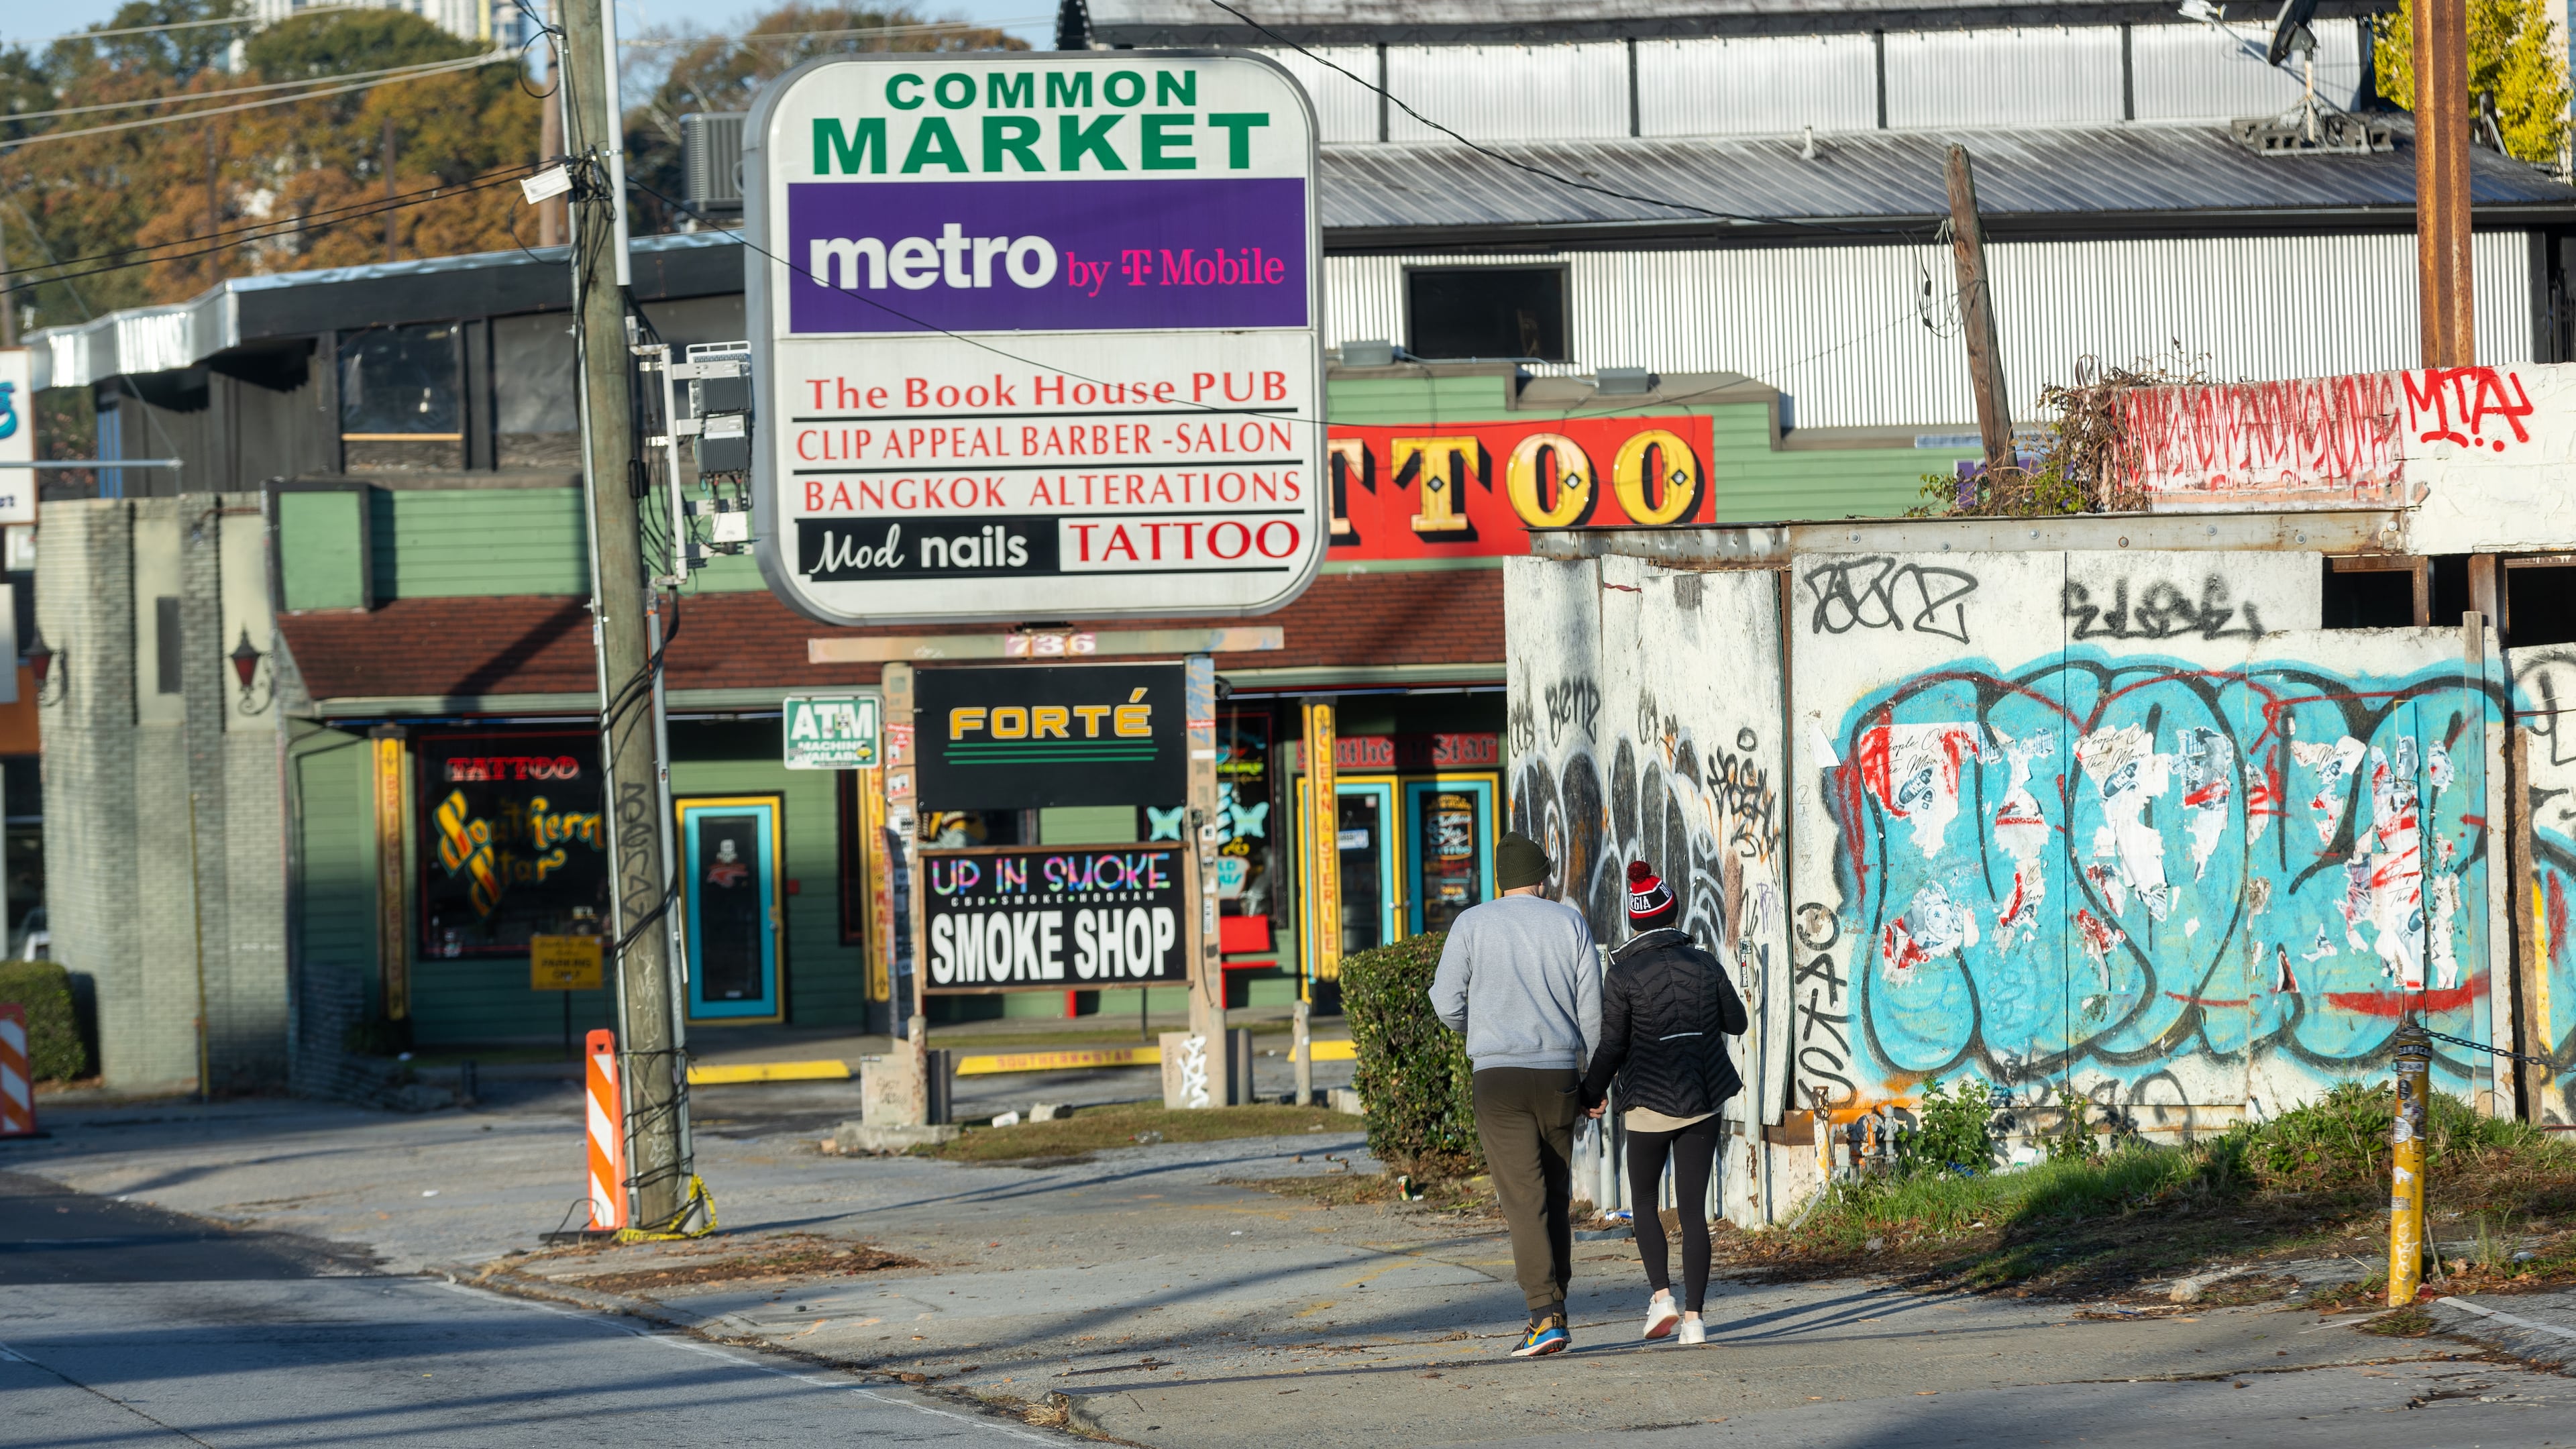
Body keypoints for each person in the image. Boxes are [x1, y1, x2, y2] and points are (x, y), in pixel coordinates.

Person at [1428, 830, 1600, 1358]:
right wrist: (1592, 1079)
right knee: (1552, 1196)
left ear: (1502, 882)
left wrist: (1480, 1029)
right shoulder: (1569, 920)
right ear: (1542, 879)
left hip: (1498, 1078)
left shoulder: (1471, 924)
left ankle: (1543, 1317)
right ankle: (1557, 1309)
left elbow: (1445, 1002)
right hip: (1559, 1076)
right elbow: (1592, 1009)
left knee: (1522, 1202)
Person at [1580, 859, 1748, 1346]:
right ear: (1672, 914)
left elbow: (1612, 1045)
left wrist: (1591, 1093)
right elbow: (1735, 1023)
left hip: (1648, 1104)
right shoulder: (1704, 963)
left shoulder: (1623, 974)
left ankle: (1662, 1298)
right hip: (1702, 1097)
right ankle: (1695, 1320)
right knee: (1694, 1211)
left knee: (1646, 1202)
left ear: (1635, 921)